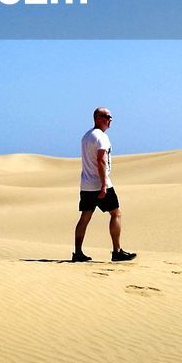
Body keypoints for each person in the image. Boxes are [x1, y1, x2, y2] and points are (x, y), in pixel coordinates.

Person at [72, 107, 136, 263]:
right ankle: (117, 251)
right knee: (116, 214)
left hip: (86, 185)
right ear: (98, 118)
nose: (110, 120)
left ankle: (78, 252)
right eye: (107, 116)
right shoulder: (101, 137)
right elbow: (101, 160)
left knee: (85, 216)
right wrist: (103, 185)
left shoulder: (86, 137)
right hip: (100, 183)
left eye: (111, 117)